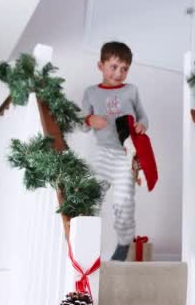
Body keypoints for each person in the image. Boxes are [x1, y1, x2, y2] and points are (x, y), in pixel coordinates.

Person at [82, 41, 150, 261]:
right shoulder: (91, 93)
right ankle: (86, 247)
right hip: (102, 153)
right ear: (100, 66)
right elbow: (80, 122)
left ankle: (123, 243)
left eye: (124, 69)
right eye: (114, 67)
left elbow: (143, 117)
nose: (119, 73)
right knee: (92, 200)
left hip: (125, 156)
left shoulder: (132, 90)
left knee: (123, 202)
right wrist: (89, 119)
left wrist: (142, 126)